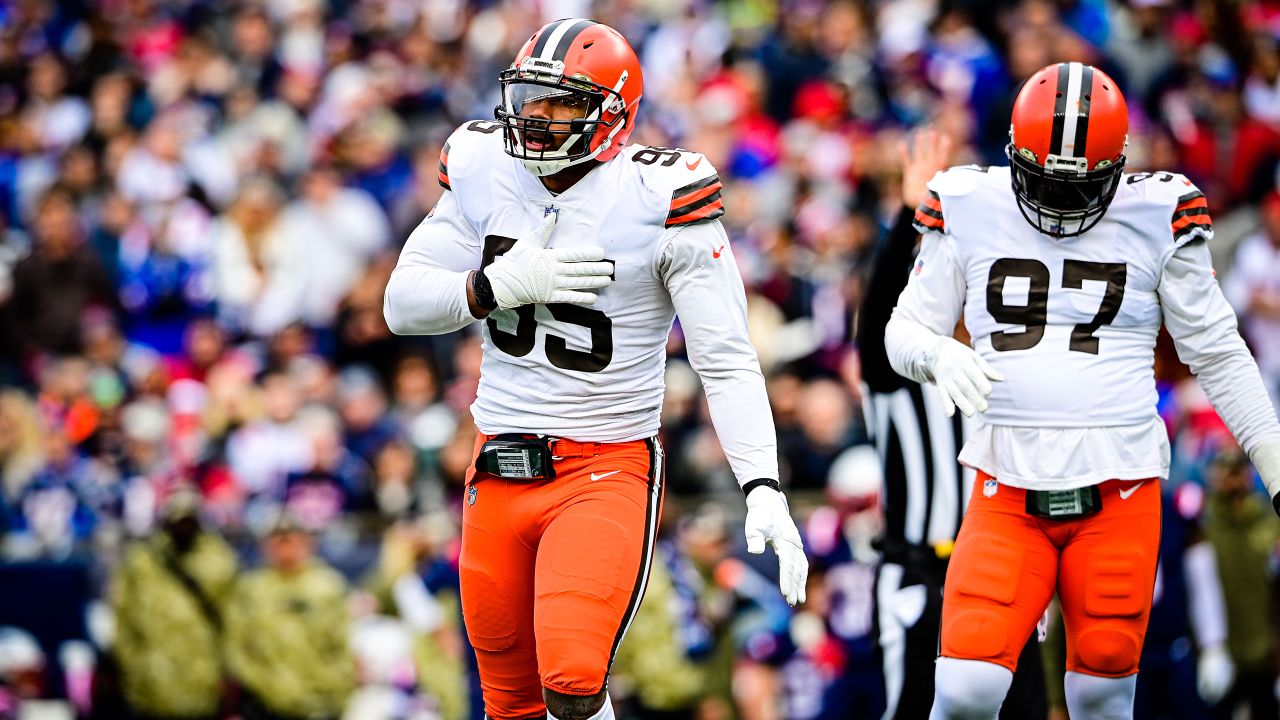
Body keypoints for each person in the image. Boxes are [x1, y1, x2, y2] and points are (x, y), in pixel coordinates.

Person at [383, 18, 807, 720]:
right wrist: (492, 286)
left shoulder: (660, 197)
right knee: (508, 703)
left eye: (562, 103)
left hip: (604, 467)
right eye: (531, 99)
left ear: (612, 114)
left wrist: (761, 483)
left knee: (573, 684)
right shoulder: (484, 164)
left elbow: (725, 359)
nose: (537, 119)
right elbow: (402, 303)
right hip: (497, 461)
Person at [884, 62, 1280, 718]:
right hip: (1005, 484)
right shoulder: (967, 202)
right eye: (1043, 182)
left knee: (1101, 696)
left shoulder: (1158, 212)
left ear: (1119, 167)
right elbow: (903, 331)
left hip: (1118, 488)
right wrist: (934, 353)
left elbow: (1219, 354)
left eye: (1082, 186)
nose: (1061, 205)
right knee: (964, 690)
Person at [857, 129, 1045, 719]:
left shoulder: (1010, 370)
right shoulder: (900, 370)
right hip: (922, 575)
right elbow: (879, 322)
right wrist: (909, 220)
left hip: (1008, 577)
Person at [111, 487, 238, 720]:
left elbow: (233, 622)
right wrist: (133, 667)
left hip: (203, 678)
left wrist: (226, 673)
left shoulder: (219, 560)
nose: (183, 527)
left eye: (189, 520)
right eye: (177, 520)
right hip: (152, 678)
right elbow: (124, 618)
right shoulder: (142, 561)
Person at [223, 511, 354, 720]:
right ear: (264, 545)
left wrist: (336, 693)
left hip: (320, 702)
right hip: (266, 704)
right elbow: (238, 649)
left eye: (290, 540)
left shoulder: (327, 585)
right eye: (277, 541)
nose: (284, 547)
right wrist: (263, 688)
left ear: (306, 542)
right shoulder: (251, 589)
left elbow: (344, 645)